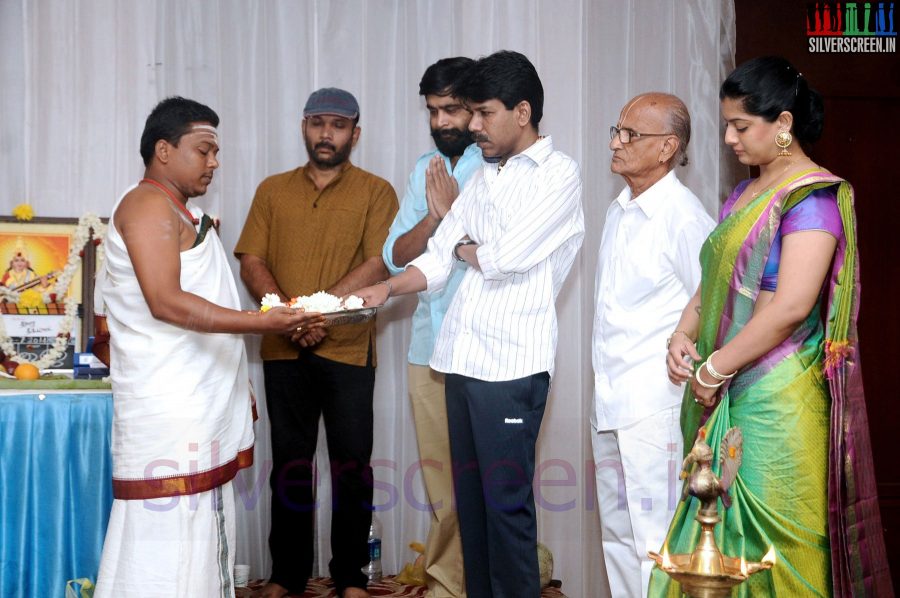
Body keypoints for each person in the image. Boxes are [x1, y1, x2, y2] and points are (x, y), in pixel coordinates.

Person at [650, 57, 893, 596]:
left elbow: (790, 307)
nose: (730, 139)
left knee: (775, 552)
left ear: (782, 123)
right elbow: (710, 280)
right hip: (730, 382)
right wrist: (681, 335)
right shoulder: (744, 194)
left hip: (779, 401)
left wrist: (714, 367)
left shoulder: (813, 197)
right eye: (728, 126)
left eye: (741, 126)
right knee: (715, 541)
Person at [354, 50, 584, 598]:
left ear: (522, 112)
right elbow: (436, 257)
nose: (471, 126)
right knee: (472, 511)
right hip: (457, 359)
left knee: (506, 513)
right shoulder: (483, 173)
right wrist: (384, 289)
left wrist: (462, 246)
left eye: (483, 113)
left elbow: (504, 257)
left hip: (510, 367)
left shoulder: (559, 174)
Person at [93, 96, 322, 597]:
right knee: (169, 531)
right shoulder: (147, 204)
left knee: (197, 528)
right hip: (170, 403)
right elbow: (166, 302)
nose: (214, 162)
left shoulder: (181, 211)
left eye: (216, 152)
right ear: (163, 149)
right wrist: (262, 323)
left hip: (191, 400)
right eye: (204, 150)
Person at [234, 88, 398, 598]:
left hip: (348, 348)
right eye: (317, 123)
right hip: (284, 348)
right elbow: (251, 261)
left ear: (356, 133)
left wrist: (316, 312)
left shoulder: (377, 191)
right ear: (303, 127)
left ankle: (350, 578)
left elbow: (379, 263)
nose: (327, 134)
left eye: (339, 125)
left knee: (351, 465)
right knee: (289, 465)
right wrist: (289, 316)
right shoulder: (271, 190)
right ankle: (287, 575)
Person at [592, 93, 714, 597]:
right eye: (616, 131)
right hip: (610, 400)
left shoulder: (684, 216)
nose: (615, 144)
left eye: (630, 135)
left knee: (655, 540)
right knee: (618, 538)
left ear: (668, 148)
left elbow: (712, 301)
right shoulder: (618, 211)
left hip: (656, 405)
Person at [382, 57, 480, 598]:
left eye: (452, 109)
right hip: (428, 348)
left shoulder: (499, 166)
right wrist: (435, 218)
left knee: (486, 482)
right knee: (443, 483)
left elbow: (499, 253)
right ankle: (446, 586)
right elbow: (396, 256)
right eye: (433, 111)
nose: (441, 122)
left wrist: (456, 212)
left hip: (488, 351)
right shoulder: (426, 167)